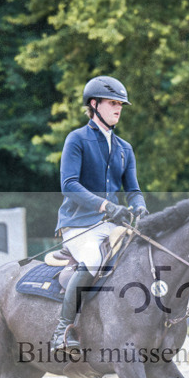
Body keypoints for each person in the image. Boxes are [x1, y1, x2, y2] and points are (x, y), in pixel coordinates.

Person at [51, 76, 148, 354]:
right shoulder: (77, 139)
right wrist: (105, 206)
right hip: (78, 225)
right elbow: (69, 185)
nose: (118, 109)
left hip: (113, 226)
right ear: (93, 105)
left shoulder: (124, 149)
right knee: (94, 259)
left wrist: (139, 206)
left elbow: (133, 189)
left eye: (120, 104)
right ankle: (63, 330)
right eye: (112, 103)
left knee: (142, 258)